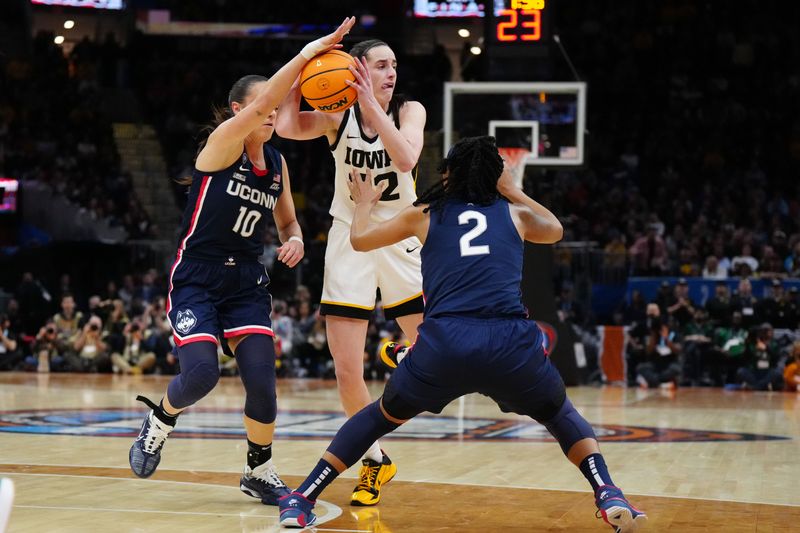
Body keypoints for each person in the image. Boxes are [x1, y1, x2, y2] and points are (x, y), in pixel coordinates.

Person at [277, 136, 646, 532]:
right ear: (495, 176)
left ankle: (302, 498)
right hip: (510, 344)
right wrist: (513, 189)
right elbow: (554, 229)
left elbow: (360, 240)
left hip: (445, 345)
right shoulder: (515, 214)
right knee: (561, 415)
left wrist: (364, 204)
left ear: (448, 174)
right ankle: (608, 491)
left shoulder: (425, 212)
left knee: (378, 417)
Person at [127, 17, 356, 507]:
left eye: (274, 109)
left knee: (263, 386)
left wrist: (294, 241)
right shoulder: (221, 146)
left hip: (247, 282)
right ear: (239, 110)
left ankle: (259, 470)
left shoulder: (277, 164)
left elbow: (289, 223)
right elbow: (269, 100)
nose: (272, 115)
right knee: (203, 375)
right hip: (197, 278)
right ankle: (161, 419)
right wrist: (307, 54)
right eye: (263, 106)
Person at [276, 38, 427, 505]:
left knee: (433, 346)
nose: (391, 72)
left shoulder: (409, 110)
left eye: (394, 65)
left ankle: (403, 354)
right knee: (346, 371)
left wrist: (369, 101)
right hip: (349, 234)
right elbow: (283, 124)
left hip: (402, 230)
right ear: (355, 68)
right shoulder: (336, 117)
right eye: (381, 65)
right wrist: (304, 67)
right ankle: (374, 460)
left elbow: (405, 158)